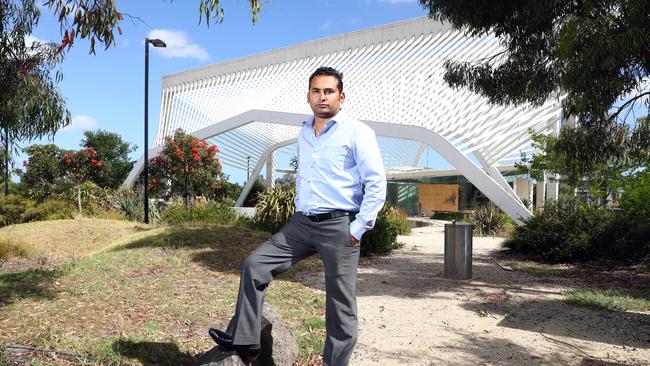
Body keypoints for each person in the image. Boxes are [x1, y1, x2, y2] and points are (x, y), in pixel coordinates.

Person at [209, 66, 386, 366]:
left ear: (341, 97)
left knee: (340, 306)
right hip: (302, 224)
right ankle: (248, 341)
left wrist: (357, 228)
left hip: (339, 225)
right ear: (308, 96)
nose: (322, 97)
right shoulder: (304, 132)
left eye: (329, 91)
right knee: (255, 265)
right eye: (316, 91)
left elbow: (377, 184)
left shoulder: (357, 132)